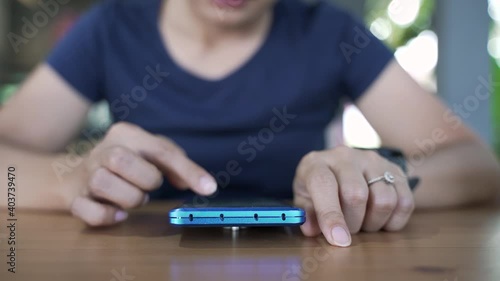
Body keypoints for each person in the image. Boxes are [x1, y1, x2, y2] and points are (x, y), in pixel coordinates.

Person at [0, 0, 499, 247]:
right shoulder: (111, 28)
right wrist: (70, 183)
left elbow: (477, 165)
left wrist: (376, 180)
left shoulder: (327, 31)